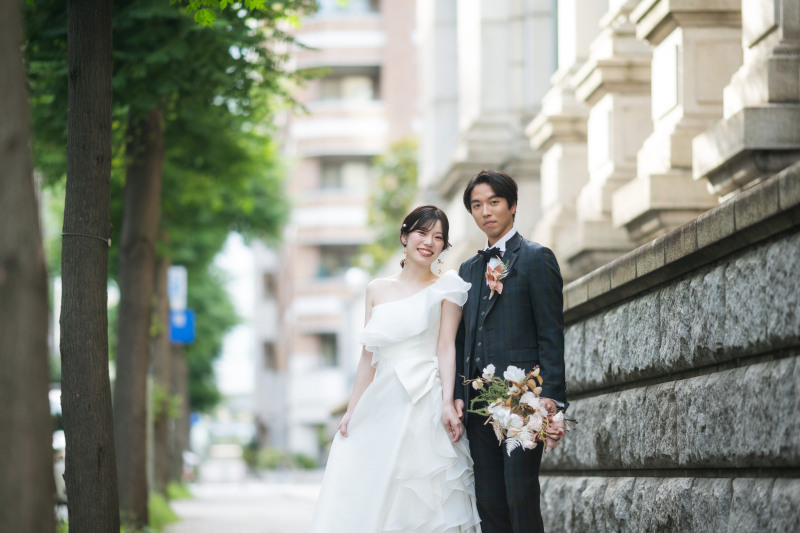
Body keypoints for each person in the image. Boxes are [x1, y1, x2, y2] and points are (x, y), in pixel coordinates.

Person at [309, 205, 482, 533]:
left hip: (424, 400)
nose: (428, 241)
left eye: (438, 237)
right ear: (404, 236)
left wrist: (447, 401)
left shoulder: (449, 287)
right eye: (421, 232)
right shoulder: (376, 289)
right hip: (383, 400)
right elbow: (367, 357)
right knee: (373, 486)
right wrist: (352, 410)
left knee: (422, 493)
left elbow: (447, 346)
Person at [453, 170, 568, 533]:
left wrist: (552, 397)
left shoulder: (536, 258)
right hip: (478, 405)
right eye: (476, 205)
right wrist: (457, 396)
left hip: (523, 402)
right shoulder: (468, 270)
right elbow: (463, 340)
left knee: (520, 496)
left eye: (494, 202)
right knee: (488, 502)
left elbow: (551, 332)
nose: (485, 211)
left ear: (513, 205)